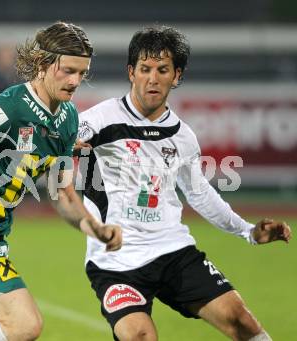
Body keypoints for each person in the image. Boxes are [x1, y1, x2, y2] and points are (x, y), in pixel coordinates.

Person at [76, 25, 292, 341]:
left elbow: (199, 192)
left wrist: (247, 231)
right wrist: (66, 143)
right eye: (145, 68)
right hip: (115, 261)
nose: (153, 78)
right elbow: (68, 138)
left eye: (162, 69)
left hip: (172, 250)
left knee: (241, 321)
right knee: (138, 336)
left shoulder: (182, 136)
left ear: (176, 76)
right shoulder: (100, 119)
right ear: (131, 73)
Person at [0, 22, 122, 341]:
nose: (75, 81)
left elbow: (62, 194)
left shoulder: (68, 119)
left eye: (81, 73)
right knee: (26, 324)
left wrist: (93, 225)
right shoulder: (9, 106)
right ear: (43, 64)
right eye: (68, 70)